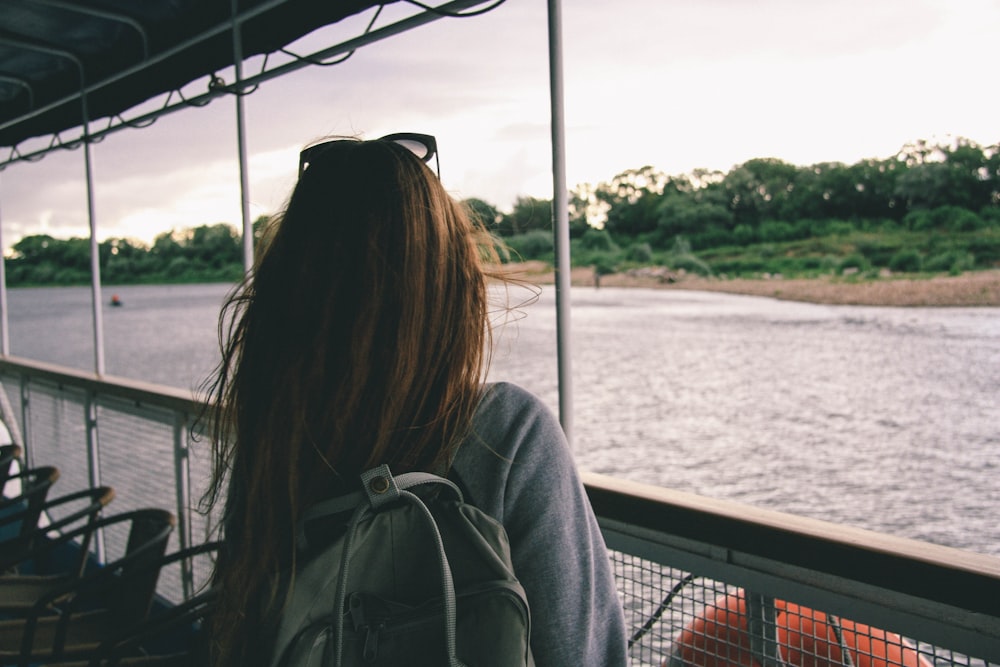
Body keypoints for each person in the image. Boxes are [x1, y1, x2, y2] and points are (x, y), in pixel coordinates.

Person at [201, 133, 629, 666]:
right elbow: (582, 654)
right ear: (450, 285)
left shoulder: (278, 435)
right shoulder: (507, 434)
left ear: (290, 291)